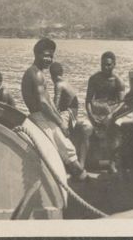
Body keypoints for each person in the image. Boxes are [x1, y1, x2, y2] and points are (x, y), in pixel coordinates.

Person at [21, 38, 87, 180]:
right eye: (45, 55)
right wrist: (61, 122)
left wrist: (59, 119)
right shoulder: (36, 74)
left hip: (42, 117)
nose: (48, 59)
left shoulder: (36, 72)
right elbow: (43, 104)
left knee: (66, 148)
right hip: (40, 117)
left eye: (51, 56)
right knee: (68, 151)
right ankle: (82, 178)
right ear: (36, 54)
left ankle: (76, 176)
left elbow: (48, 102)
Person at [85, 51, 125, 173]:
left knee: (117, 126)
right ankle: (85, 162)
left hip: (113, 112)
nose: (105, 67)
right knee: (85, 128)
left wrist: (111, 115)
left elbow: (122, 102)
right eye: (103, 64)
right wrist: (91, 116)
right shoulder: (94, 79)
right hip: (97, 111)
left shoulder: (118, 81)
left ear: (114, 64)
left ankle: (112, 162)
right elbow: (88, 101)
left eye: (108, 65)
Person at [49, 62, 93, 169]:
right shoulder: (66, 83)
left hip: (68, 114)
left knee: (52, 129)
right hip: (73, 113)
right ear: (62, 73)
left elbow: (55, 105)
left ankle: (64, 163)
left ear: (51, 75)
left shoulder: (58, 84)